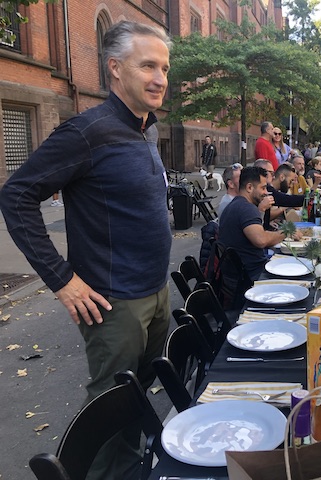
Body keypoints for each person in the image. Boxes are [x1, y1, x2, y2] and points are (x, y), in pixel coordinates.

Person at [0, 21, 172, 478]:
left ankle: (126, 466)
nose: (160, 78)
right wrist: (63, 280)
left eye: (165, 68)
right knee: (110, 406)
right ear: (115, 69)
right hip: (114, 302)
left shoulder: (146, 130)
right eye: (148, 65)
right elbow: (16, 196)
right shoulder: (86, 131)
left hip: (156, 292)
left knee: (139, 392)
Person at [218, 166, 286, 280]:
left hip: (237, 275)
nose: (266, 192)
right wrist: (286, 232)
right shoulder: (246, 209)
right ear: (249, 187)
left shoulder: (236, 204)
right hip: (252, 276)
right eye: (263, 188)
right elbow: (261, 240)